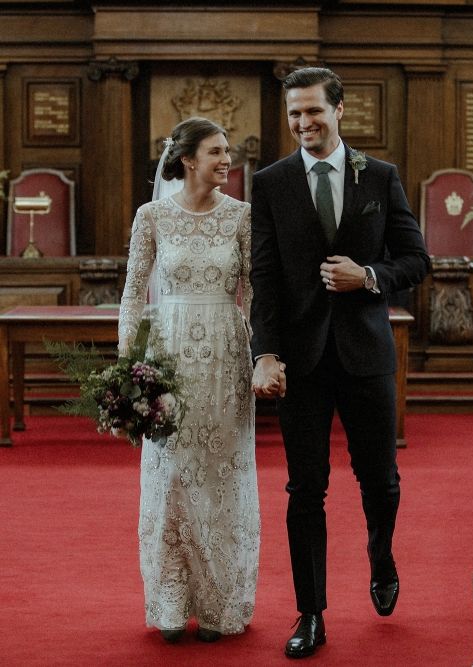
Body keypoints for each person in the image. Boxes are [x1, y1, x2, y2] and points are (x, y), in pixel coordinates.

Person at [249, 66, 430, 659]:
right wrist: (265, 352)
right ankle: (311, 613)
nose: (303, 123)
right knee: (305, 489)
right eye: (294, 114)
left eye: (313, 112)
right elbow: (266, 276)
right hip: (299, 361)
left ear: (340, 111)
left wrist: (369, 276)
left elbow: (415, 258)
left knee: (380, 480)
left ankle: (381, 553)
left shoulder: (379, 175)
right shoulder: (271, 182)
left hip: (365, 354)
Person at [118, 116, 260, 644]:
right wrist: (127, 370)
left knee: (220, 477)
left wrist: (259, 354)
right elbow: (134, 294)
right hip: (167, 356)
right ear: (188, 160)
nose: (228, 160)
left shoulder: (242, 216)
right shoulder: (151, 216)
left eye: (229, 152)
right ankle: (173, 600)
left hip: (225, 357)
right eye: (218, 151)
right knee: (171, 477)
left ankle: (221, 601)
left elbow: (255, 290)